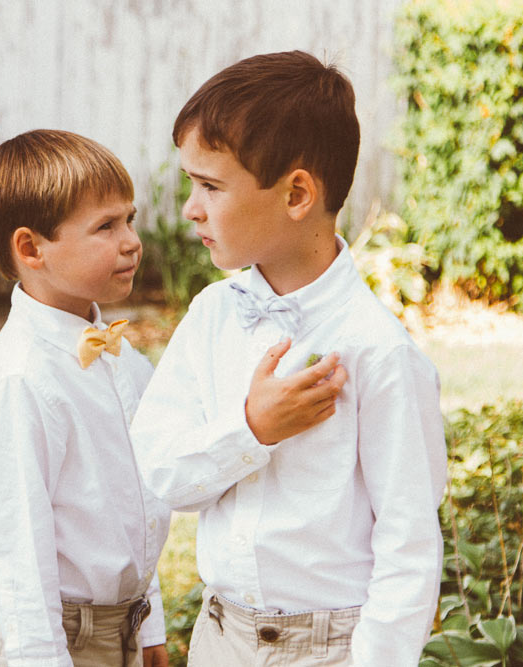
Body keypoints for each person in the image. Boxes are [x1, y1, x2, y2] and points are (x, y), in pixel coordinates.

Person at [130, 51, 447, 666]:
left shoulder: (378, 352)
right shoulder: (212, 317)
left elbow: (409, 544)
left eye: (210, 187)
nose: (190, 208)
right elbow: (161, 472)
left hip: (329, 650)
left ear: (297, 193)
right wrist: (250, 430)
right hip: (219, 640)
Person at [0, 129, 171, 667]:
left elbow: (138, 508)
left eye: (129, 218)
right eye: (106, 226)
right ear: (31, 248)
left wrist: (151, 627)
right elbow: (17, 553)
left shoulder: (124, 359)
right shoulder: (20, 382)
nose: (130, 241)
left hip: (125, 624)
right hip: (58, 642)